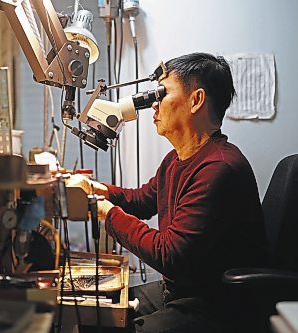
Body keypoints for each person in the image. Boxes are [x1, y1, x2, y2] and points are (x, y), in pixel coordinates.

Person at [68, 52, 268, 332]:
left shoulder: (220, 168)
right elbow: (142, 200)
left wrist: (106, 212)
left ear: (196, 100)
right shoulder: (177, 159)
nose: (154, 105)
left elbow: (169, 255)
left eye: (161, 94)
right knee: (94, 311)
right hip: (179, 293)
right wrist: (98, 189)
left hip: (214, 307)